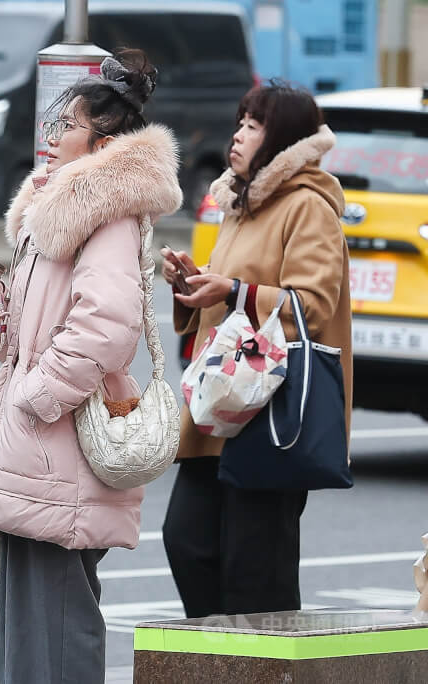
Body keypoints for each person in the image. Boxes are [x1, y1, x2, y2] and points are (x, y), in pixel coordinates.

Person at [0, 50, 182, 684]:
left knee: (53, 628)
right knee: (36, 623)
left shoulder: (102, 211)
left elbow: (108, 325)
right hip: (42, 448)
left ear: (103, 141)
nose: (51, 139)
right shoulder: (61, 210)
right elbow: (26, 335)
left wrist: (37, 395)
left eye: (66, 126)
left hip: (58, 445)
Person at [160, 81, 352, 618]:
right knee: (188, 543)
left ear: (283, 139)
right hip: (221, 399)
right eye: (240, 122)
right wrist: (193, 284)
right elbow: (231, 292)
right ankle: (219, 662)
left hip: (270, 410)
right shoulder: (239, 204)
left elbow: (312, 304)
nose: (239, 134)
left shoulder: (307, 207)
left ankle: (261, 668)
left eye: (254, 125)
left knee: (255, 572)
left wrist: (233, 290)